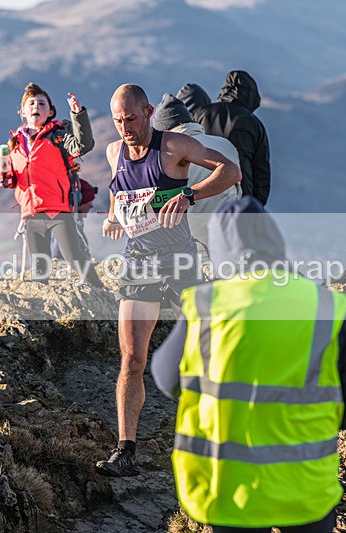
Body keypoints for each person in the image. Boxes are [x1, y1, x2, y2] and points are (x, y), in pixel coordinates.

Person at [151, 197, 346, 532]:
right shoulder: (325, 304)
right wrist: (306, 425)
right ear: (274, 241)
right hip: (305, 487)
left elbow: (167, 379)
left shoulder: (206, 304)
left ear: (219, 251)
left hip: (226, 489)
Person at [95, 83, 241, 477]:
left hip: (180, 259)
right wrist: (112, 216)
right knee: (132, 358)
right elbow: (118, 190)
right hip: (138, 262)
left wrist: (189, 195)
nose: (125, 127)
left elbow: (231, 171)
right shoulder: (113, 152)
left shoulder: (174, 146)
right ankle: (126, 452)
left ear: (147, 112)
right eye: (118, 121)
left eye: (131, 118)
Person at [0, 82, 103, 287]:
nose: (36, 106)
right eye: (31, 103)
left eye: (41, 104)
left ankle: (101, 290)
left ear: (50, 112)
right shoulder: (14, 145)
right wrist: (3, 179)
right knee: (39, 268)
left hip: (58, 210)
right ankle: (41, 304)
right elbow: (15, 180)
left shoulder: (58, 137)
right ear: (22, 112)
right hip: (31, 213)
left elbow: (84, 145)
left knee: (74, 256)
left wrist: (78, 114)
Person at [153, 92, 241, 258]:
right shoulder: (226, 145)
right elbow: (238, 191)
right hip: (230, 239)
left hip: (190, 249)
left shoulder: (164, 155)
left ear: (164, 131)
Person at [192, 71, 271, 206]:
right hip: (241, 198)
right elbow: (261, 170)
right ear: (251, 96)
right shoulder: (252, 123)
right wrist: (257, 204)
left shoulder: (201, 114)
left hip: (202, 195)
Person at [52, 178, 98, 259]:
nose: (91, 206)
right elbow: (56, 253)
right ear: (81, 203)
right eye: (89, 202)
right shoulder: (68, 223)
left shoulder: (72, 220)